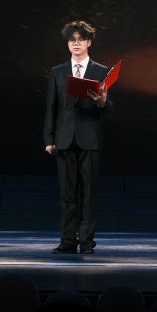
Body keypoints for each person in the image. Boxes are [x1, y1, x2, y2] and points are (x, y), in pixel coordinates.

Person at [43, 21, 110, 254]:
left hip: (90, 138)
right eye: (72, 40)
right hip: (64, 138)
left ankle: (87, 242)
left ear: (89, 42)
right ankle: (68, 241)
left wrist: (102, 102)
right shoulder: (58, 71)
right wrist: (48, 138)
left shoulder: (101, 71)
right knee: (67, 194)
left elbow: (109, 106)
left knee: (89, 194)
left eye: (81, 39)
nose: (76, 43)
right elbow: (51, 107)